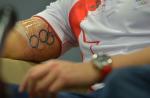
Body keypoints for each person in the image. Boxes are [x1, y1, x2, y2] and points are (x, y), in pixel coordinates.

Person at [2, 0, 150, 97]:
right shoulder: (73, 4)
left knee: (122, 79)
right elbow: (19, 39)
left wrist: (95, 68)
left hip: (134, 85)